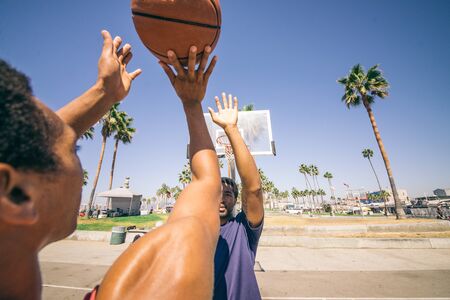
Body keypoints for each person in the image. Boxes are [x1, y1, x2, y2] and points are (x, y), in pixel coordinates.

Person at [207, 93, 265, 299]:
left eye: (229, 194)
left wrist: (230, 129)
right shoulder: (197, 232)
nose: (222, 198)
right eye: (217, 192)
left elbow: (254, 188)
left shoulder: (243, 229)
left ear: (236, 200)